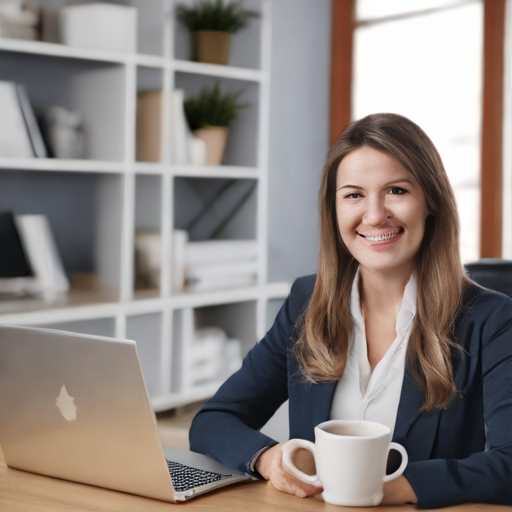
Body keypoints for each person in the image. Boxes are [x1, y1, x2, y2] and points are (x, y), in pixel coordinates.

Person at [189, 113, 512, 508]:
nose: (374, 215)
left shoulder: (491, 320)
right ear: (334, 209)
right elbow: (213, 420)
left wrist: (382, 489)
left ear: (431, 202)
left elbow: (508, 465)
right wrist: (270, 460)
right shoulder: (306, 302)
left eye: (396, 190)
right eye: (354, 195)